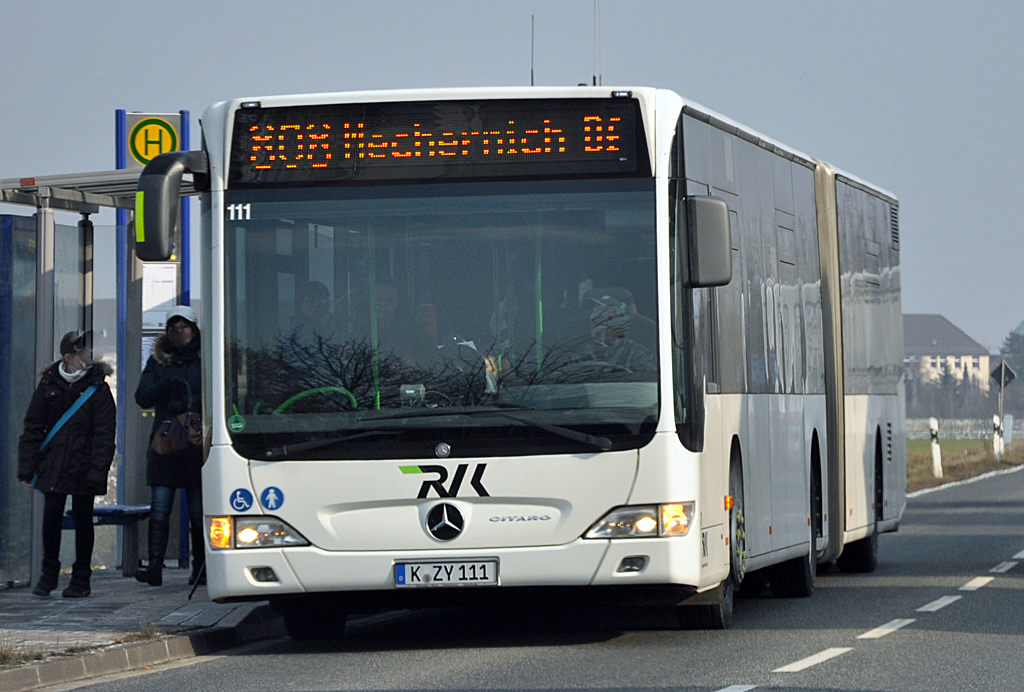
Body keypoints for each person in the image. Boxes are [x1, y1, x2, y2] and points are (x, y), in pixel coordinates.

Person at [17, 330, 116, 598]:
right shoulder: (49, 384)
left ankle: (81, 579)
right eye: (83, 352)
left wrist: (98, 472)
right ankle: (48, 575)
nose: (89, 356)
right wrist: (26, 467)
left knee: (83, 519)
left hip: (84, 466)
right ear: (69, 357)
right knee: (51, 518)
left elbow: (105, 435)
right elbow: (33, 427)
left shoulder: (98, 388)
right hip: (54, 464)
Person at [134, 305, 205, 587]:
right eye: (174, 328)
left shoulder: (205, 359)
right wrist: (167, 385)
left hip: (195, 442)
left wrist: (190, 403)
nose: (179, 332)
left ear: (194, 330)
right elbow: (142, 396)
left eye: (184, 327)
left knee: (198, 508)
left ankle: (200, 566)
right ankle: (154, 567)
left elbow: (218, 392)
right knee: (160, 505)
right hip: (165, 443)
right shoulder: (158, 361)